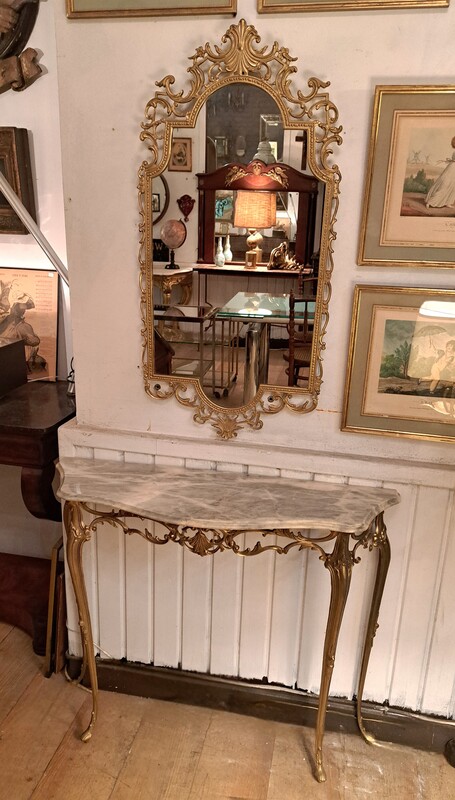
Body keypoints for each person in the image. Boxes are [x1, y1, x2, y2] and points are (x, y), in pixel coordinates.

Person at [425, 136, 455, 210]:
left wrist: (449, 160)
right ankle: (430, 202)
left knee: (452, 186)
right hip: (452, 169)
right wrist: (450, 161)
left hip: (452, 167)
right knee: (444, 185)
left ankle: (447, 202)